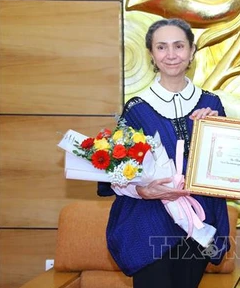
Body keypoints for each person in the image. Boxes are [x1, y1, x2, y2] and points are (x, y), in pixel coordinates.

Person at [97, 18, 230, 288]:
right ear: (152, 55)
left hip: (197, 224)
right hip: (148, 224)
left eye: (179, 46)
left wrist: (217, 128)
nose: (171, 55)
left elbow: (227, 167)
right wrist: (142, 191)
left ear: (192, 51)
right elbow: (117, 172)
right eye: (162, 47)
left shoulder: (211, 104)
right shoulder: (137, 108)